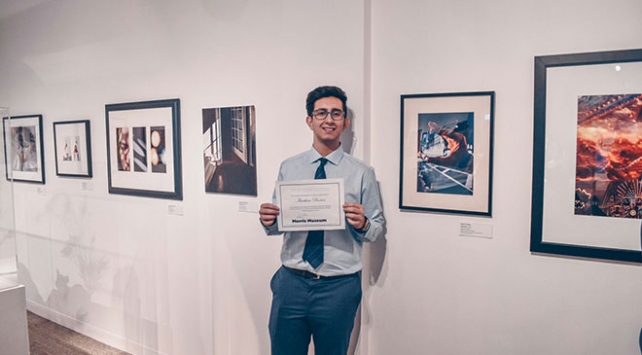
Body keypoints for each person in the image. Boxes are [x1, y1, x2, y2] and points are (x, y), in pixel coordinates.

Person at [259, 85, 386, 354]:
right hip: (291, 282)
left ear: (345, 122)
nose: (329, 119)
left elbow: (376, 229)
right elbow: (280, 224)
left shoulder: (362, 172)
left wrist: (363, 223)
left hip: (338, 286)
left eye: (336, 114)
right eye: (322, 113)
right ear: (310, 120)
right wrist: (269, 220)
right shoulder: (289, 167)